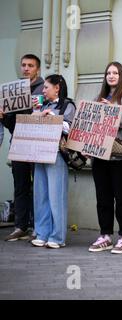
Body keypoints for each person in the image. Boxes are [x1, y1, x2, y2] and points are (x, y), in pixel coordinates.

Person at [88, 62, 122, 254]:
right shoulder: (99, 97)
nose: (111, 75)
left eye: (115, 72)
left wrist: (112, 113)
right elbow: (91, 123)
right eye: (108, 72)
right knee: (103, 197)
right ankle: (106, 235)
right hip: (100, 156)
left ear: (121, 75)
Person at [1, 54, 44, 242]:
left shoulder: (44, 88)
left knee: (40, 186)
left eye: (31, 65)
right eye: (24, 65)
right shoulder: (13, 90)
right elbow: (11, 125)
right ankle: (20, 226)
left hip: (39, 143)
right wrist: (3, 116)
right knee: (20, 186)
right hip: (18, 142)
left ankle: (38, 226)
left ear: (38, 69)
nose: (26, 68)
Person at [30, 75, 75, 248]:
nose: (43, 90)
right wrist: (36, 114)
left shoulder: (67, 105)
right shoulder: (41, 105)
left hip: (56, 154)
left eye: (46, 87)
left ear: (57, 88)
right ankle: (42, 233)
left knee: (56, 197)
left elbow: (71, 128)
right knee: (40, 195)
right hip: (38, 153)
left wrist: (53, 119)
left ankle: (57, 237)